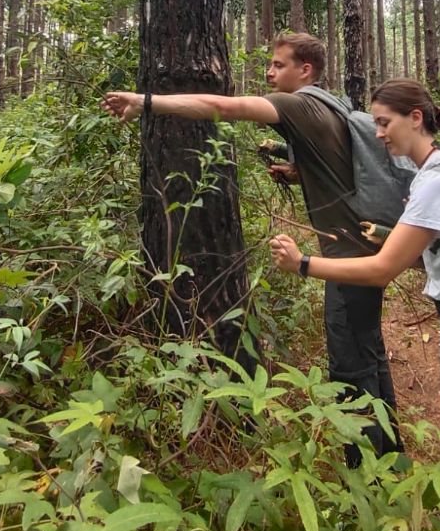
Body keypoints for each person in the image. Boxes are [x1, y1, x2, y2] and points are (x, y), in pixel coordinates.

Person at [101, 33, 404, 466]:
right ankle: (393, 457)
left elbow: (224, 107)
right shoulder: (330, 104)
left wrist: (147, 101)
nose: (268, 72)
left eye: (279, 65)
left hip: (345, 261)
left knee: (351, 367)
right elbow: (337, 165)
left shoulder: (297, 104)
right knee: (370, 352)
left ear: (306, 70)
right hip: (364, 250)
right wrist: (298, 174)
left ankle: (366, 473)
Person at [268, 78, 440, 531]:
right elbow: (422, 251)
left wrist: (304, 264)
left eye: (384, 122)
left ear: (415, 118)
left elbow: (382, 269)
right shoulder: (433, 172)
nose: (378, 132)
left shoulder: (437, 180)